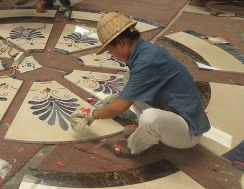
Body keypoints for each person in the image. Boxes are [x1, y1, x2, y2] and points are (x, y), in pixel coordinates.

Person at [71, 12, 211, 158]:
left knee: (150, 118)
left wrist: (92, 116)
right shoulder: (144, 50)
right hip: (173, 114)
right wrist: (117, 99)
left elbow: (120, 107)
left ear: (120, 43)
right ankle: (147, 129)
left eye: (111, 51)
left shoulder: (146, 62)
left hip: (188, 130)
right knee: (129, 77)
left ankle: (136, 146)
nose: (113, 56)